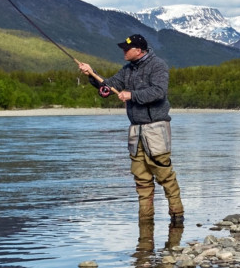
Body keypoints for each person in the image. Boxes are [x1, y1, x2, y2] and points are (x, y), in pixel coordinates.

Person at [78, 34, 184, 226]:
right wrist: (91, 74)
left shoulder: (158, 65)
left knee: (165, 176)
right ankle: (145, 223)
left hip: (156, 128)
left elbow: (159, 92)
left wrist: (131, 95)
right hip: (136, 131)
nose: (123, 52)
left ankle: (177, 218)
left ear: (139, 50)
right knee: (141, 180)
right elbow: (108, 87)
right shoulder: (128, 70)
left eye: (127, 49)